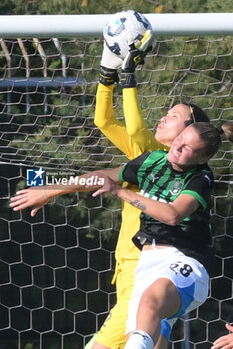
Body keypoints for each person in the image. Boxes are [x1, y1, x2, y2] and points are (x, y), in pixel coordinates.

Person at [10, 33, 213, 349]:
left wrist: (128, 79)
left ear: (192, 135)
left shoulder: (158, 153)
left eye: (175, 116)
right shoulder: (151, 159)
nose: (164, 117)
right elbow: (103, 122)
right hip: (133, 263)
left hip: (156, 265)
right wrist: (106, 73)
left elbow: (132, 129)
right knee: (152, 336)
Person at [10, 121, 233, 349]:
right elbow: (102, 176)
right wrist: (50, 190)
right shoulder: (152, 160)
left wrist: (119, 191)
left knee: (150, 303)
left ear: (202, 159)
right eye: (180, 139)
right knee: (139, 339)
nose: (178, 146)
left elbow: (173, 215)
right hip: (147, 263)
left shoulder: (200, 178)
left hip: (185, 260)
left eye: (187, 147)